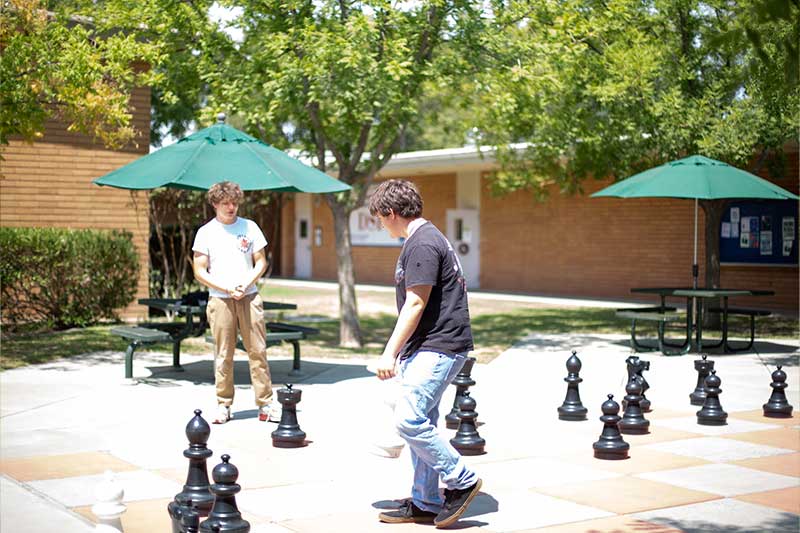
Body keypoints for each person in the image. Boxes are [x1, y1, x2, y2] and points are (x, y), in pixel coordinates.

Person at [369, 179, 482, 529]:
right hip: (432, 346)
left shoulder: (422, 243)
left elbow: (416, 302)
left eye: (379, 218)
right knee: (424, 421)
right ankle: (425, 500)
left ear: (391, 213)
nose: (380, 224)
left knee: (409, 420)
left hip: (440, 346)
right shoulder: (423, 239)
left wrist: (390, 353)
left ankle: (462, 480)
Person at [192, 181, 279, 424]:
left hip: (249, 296)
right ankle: (224, 404)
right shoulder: (205, 232)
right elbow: (199, 270)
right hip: (220, 299)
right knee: (224, 354)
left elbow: (261, 262)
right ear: (215, 204)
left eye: (234, 202)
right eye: (225, 203)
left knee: (258, 352)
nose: (231, 207)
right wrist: (226, 287)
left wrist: (245, 283)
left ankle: (266, 404)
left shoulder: (249, 227)